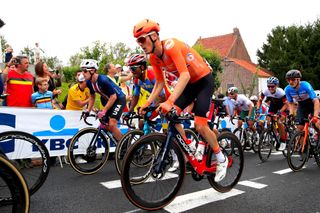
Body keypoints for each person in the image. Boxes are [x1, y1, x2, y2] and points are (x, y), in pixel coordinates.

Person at [133, 19, 228, 182]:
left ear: (154, 36)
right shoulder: (153, 58)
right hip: (189, 85)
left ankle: (221, 158)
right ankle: (190, 145)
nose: (140, 43)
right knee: (170, 115)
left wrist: (169, 101)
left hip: (203, 81)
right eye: (137, 40)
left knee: (200, 125)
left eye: (142, 39)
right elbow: (160, 83)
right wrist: (148, 103)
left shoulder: (172, 46)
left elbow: (184, 75)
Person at [81, 59, 126, 141]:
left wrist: (104, 111)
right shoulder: (88, 82)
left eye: (84, 71)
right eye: (82, 71)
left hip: (119, 99)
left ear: (92, 71)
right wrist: (88, 110)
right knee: (105, 124)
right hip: (110, 101)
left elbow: (114, 97)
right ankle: (119, 141)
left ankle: (126, 147)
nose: (82, 74)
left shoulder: (102, 80)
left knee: (112, 124)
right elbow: (92, 96)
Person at [256, 76, 288, 150]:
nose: (270, 88)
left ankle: (283, 141)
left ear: (276, 86)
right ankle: (276, 135)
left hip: (282, 106)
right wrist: (257, 109)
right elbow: (260, 100)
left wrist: (280, 112)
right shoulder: (265, 91)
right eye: (268, 86)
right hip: (273, 105)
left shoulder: (281, 92)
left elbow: (286, 104)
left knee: (279, 122)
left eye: (272, 86)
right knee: (268, 120)